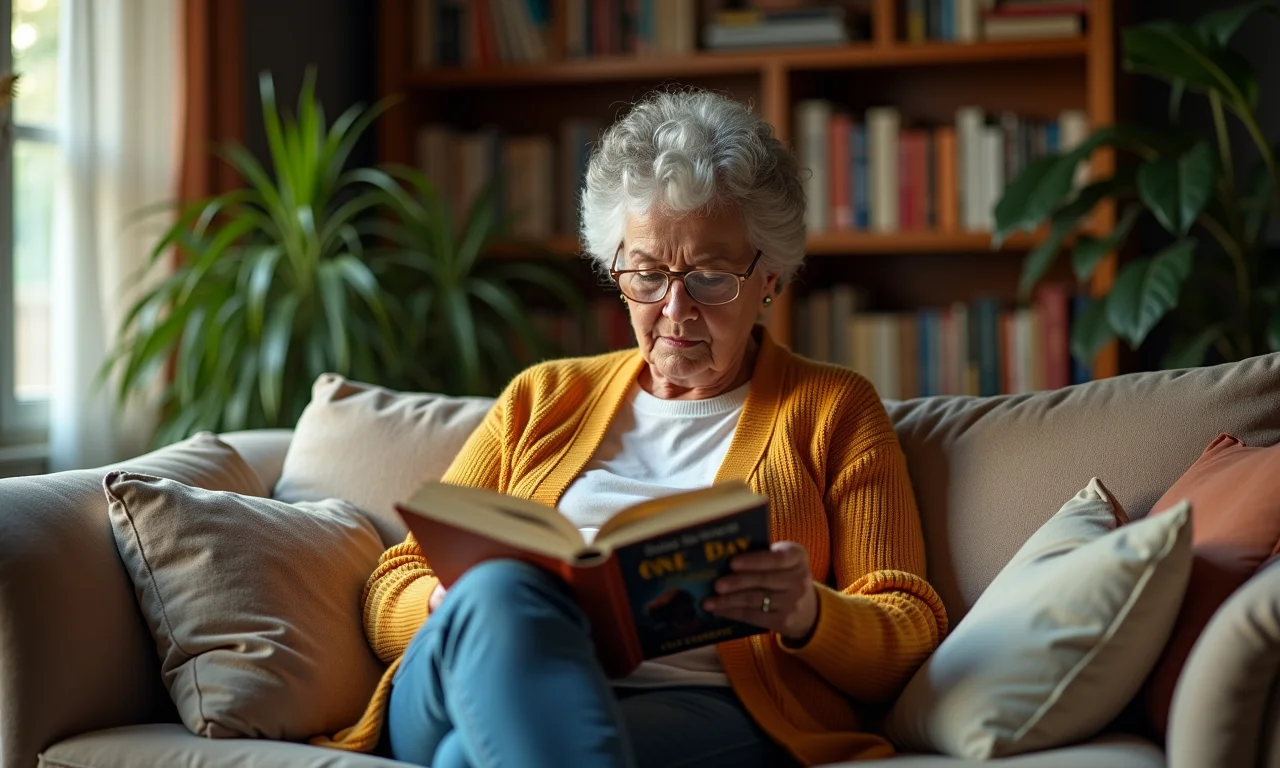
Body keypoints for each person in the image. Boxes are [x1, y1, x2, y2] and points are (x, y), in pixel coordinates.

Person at [315, 89, 947, 768]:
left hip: (695, 710)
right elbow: (391, 585)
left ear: (769, 278)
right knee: (498, 593)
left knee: (468, 759)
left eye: (708, 277)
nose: (674, 309)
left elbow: (906, 628)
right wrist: (447, 600)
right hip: (460, 673)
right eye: (646, 275)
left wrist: (807, 613)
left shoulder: (833, 410)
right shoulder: (543, 397)